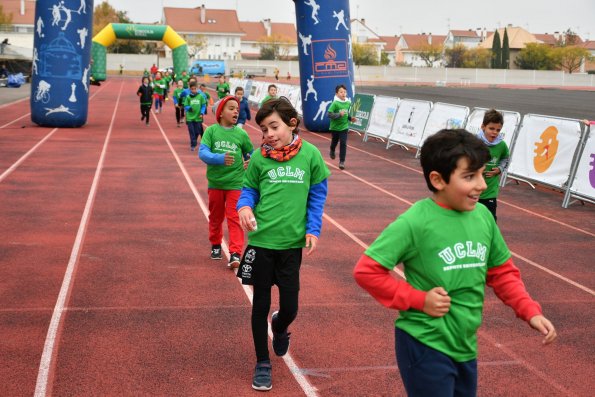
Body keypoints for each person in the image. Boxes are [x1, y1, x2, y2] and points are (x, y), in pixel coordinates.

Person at [353, 129, 557, 397]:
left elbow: (502, 272)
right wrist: (418, 299)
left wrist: (529, 310)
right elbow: (367, 271)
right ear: (438, 180)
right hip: (424, 342)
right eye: (469, 176)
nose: (482, 185)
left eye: (482, 174)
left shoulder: (483, 216)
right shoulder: (415, 222)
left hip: (465, 345)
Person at [236, 97, 330, 391]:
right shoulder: (260, 157)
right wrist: (245, 208)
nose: (269, 135)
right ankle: (262, 362)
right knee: (259, 304)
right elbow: (248, 190)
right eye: (264, 130)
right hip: (262, 242)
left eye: (273, 127)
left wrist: (314, 229)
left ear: (292, 124)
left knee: (290, 307)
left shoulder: (311, 155)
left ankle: (279, 326)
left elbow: (317, 196)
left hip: (291, 246)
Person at [199, 96, 254, 267]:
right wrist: (219, 158)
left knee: (234, 218)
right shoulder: (211, 131)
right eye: (231, 108)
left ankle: (236, 253)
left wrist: (250, 161)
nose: (236, 111)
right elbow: (203, 153)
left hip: (236, 183)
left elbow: (251, 153)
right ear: (221, 112)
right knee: (215, 217)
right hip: (216, 184)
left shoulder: (241, 133)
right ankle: (215, 243)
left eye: (237, 108)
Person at [476, 109, 510, 222]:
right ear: (483, 127)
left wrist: (499, 169)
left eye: (498, 130)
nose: (495, 132)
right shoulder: (474, 142)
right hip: (472, 191)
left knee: (490, 221)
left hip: (490, 192)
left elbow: (505, 158)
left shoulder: (501, 145)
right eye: (491, 128)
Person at [327, 84, 356, 170]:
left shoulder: (348, 103)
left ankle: (342, 161)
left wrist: (351, 118)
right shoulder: (335, 103)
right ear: (336, 94)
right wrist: (339, 114)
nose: (343, 93)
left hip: (344, 127)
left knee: (343, 143)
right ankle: (332, 150)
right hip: (335, 127)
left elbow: (347, 114)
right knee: (334, 142)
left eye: (344, 92)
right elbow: (329, 114)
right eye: (341, 92)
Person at [183, 81, 207, 150]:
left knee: (197, 131)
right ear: (190, 89)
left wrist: (202, 113)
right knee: (192, 132)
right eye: (192, 89)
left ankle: (195, 141)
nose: (193, 90)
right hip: (190, 118)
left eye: (195, 89)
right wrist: (189, 108)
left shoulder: (200, 96)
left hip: (198, 117)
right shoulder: (188, 97)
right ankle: (193, 144)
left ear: (197, 89)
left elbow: (203, 106)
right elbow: (185, 105)